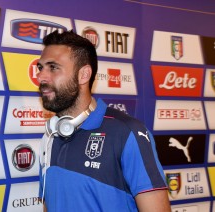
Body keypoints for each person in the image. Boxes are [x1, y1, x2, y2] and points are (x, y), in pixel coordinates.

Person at [37, 30, 171, 212]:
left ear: (83, 75)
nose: (41, 77)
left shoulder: (127, 133)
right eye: (40, 68)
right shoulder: (50, 136)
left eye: (53, 67)